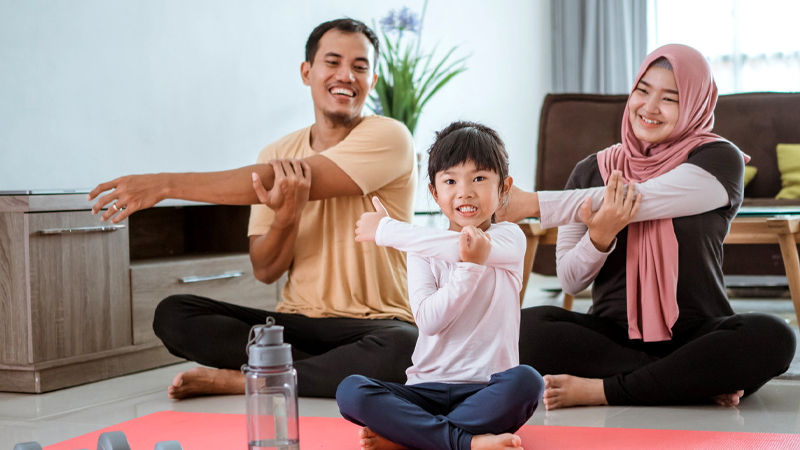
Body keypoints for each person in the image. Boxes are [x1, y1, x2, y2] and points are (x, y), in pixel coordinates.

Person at [87, 18, 419, 399]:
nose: (346, 75)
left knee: (404, 348)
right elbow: (265, 269)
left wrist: (164, 184)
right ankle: (316, 371)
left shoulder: (389, 136)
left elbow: (285, 178)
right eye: (333, 62)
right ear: (307, 72)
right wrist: (287, 215)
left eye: (360, 67)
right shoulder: (277, 153)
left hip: (377, 324)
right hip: (298, 323)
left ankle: (254, 378)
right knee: (174, 314)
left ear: (372, 81)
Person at [499, 44, 796, 409]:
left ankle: (603, 390)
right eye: (643, 91)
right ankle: (689, 380)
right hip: (611, 337)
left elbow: (643, 197)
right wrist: (600, 234)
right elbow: (572, 280)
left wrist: (532, 204)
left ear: (695, 105)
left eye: (670, 98)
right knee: (517, 327)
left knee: (774, 336)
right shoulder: (591, 170)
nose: (650, 107)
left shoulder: (719, 159)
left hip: (697, 333)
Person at [336, 121, 544, 450]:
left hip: (487, 390)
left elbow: (466, 245)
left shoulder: (511, 238)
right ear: (434, 192)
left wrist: (388, 231)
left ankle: (412, 438)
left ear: (504, 188)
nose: (465, 191)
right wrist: (469, 269)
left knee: (527, 382)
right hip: (425, 390)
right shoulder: (422, 251)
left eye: (479, 178)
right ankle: (466, 442)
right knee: (350, 391)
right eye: (450, 181)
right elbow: (430, 321)